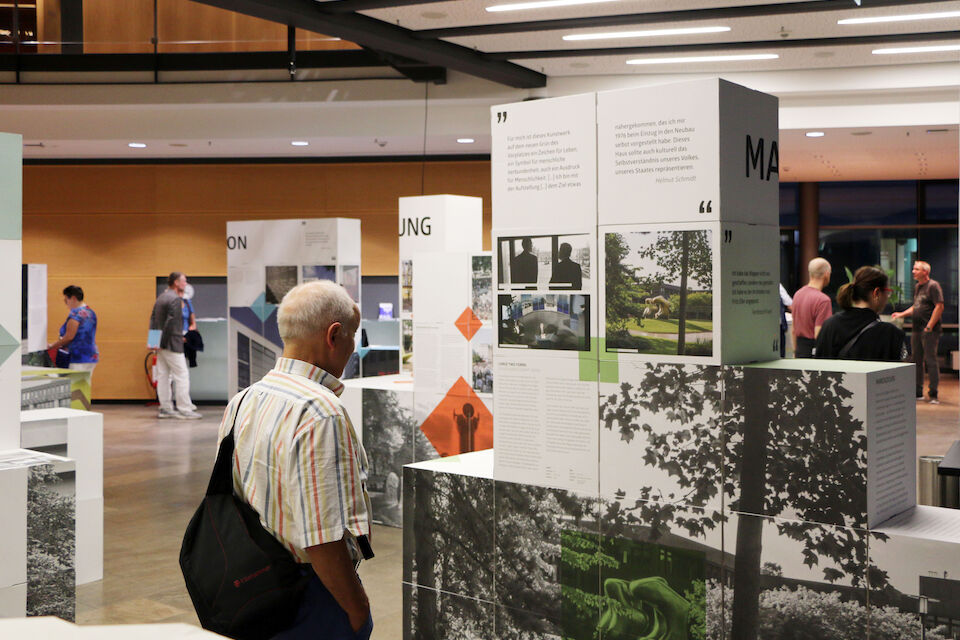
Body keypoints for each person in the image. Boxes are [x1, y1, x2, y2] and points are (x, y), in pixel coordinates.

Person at [217, 280, 373, 639]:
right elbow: (323, 537)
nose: (353, 348)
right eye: (352, 338)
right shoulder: (321, 413)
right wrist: (357, 610)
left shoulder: (243, 400)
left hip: (251, 583)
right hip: (310, 595)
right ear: (334, 335)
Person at [815, 266, 906, 362]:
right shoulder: (891, 334)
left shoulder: (829, 325)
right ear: (876, 293)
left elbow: (819, 370)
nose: (888, 297)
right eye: (887, 292)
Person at [150, 272, 202, 419]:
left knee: (164, 376)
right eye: (184, 281)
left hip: (160, 346)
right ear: (176, 283)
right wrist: (167, 341)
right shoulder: (175, 299)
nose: (185, 284)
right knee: (182, 376)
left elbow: (153, 320)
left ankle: (165, 408)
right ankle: (185, 409)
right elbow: (171, 324)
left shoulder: (160, 298)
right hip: (172, 344)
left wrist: (155, 343)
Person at [893, 261, 945, 403]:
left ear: (925, 272)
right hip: (916, 329)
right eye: (913, 269)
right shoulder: (918, 287)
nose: (913, 271)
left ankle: (933, 394)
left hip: (929, 330)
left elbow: (939, 306)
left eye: (916, 269)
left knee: (931, 360)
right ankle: (918, 392)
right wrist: (901, 314)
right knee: (916, 360)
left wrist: (929, 326)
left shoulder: (933, 286)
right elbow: (916, 307)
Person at [47, 285, 99, 376]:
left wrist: (52, 346)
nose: (65, 303)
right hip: (91, 356)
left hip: (78, 357)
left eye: (66, 299)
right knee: (84, 387)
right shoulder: (91, 312)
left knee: (74, 388)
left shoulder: (76, 314)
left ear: (73, 298)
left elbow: (69, 337)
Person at [792, 257, 833, 357]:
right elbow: (819, 334)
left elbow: (793, 329)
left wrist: (795, 352)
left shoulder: (798, 294)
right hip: (814, 353)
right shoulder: (823, 300)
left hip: (799, 350)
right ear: (826, 274)